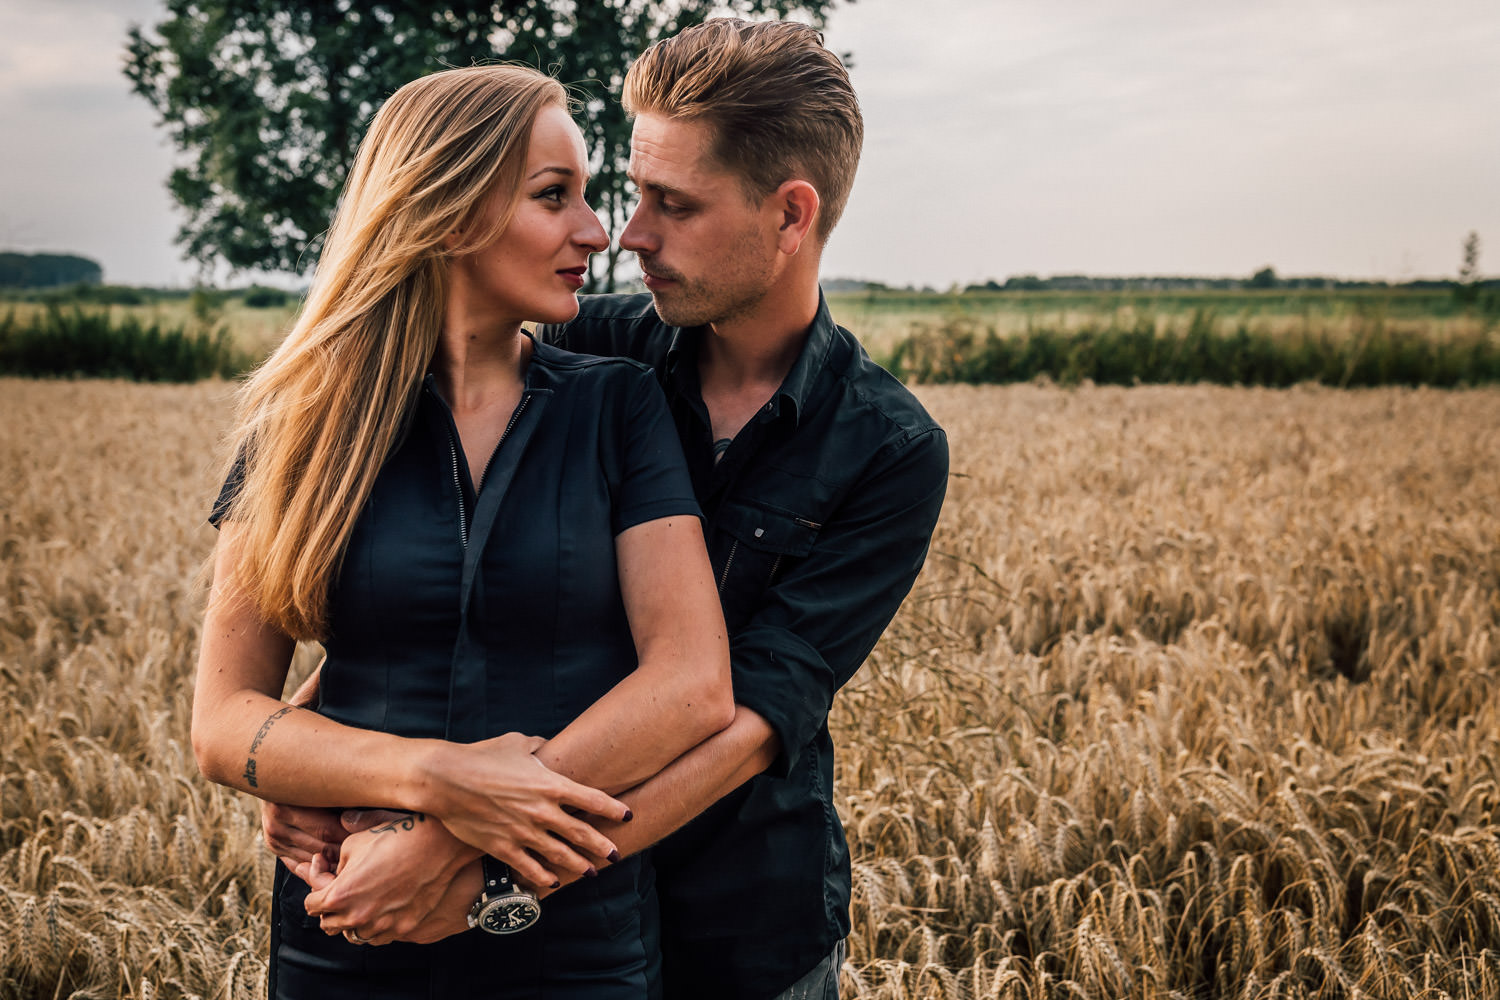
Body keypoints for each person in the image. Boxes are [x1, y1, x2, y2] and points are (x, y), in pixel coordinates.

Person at [265, 18, 949, 1000]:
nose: (625, 235)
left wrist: (469, 850)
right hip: (544, 936)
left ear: (789, 214)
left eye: (672, 205)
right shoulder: (589, 354)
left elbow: (746, 721)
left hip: (738, 917)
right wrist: (316, 759)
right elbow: (452, 568)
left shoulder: (888, 447)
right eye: (631, 197)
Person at [193, 64, 735, 999]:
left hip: (578, 944)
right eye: (553, 196)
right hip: (351, 931)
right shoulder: (301, 426)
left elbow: (691, 684)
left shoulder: (619, 407)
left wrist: (462, 833)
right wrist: (444, 779)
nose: (596, 232)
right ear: (446, 211)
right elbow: (224, 722)